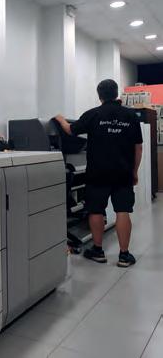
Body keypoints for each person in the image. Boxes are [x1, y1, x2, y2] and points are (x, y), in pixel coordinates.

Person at [55, 79, 143, 268]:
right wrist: (134, 172)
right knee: (123, 210)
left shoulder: (93, 114)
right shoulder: (130, 116)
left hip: (98, 172)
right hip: (123, 172)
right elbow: (138, 148)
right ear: (116, 93)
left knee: (96, 210)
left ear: (99, 95)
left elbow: (70, 130)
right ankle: (124, 255)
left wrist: (60, 119)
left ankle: (98, 250)